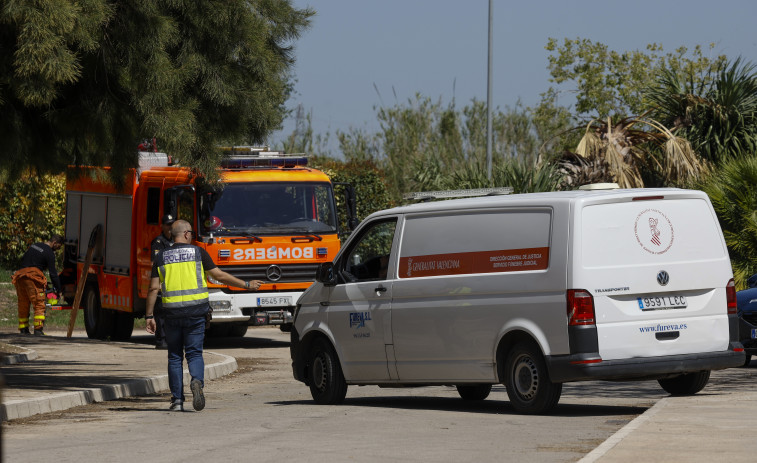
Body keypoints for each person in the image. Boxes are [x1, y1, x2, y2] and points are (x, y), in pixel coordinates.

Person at [144, 220, 263, 411]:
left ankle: (177, 401)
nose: (191, 235)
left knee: (174, 356)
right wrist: (246, 284)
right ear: (185, 234)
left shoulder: (161, 257)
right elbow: (220, 275)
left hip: (172, 314)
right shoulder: (198, 253)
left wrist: (149, 315)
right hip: (196, 313)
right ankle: (197, 382)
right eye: (190, 232)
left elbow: (153, 288)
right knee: (194, 353)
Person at [12, 234, 65, 335]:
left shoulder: (35, 245)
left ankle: (23, 329)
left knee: (23, 303)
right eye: (58, 246)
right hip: (33, 278)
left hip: (20, 276)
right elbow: (53, 274)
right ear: (54, 243)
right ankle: (38, 330)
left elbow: (24, 259)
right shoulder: (49, 253)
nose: (58, 249)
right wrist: (58, 289)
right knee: (39, 304)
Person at [150, 214, 175, 349]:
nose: (170, 227)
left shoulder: (176, 241)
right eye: (167, 224)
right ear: (162, 226)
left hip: (173, 282)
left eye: (172, 224)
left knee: (170, 313)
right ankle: (161, 340)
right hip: (162, 281)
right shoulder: (158, 242)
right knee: (160, 313)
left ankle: (170, 338)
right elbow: (155, 263)